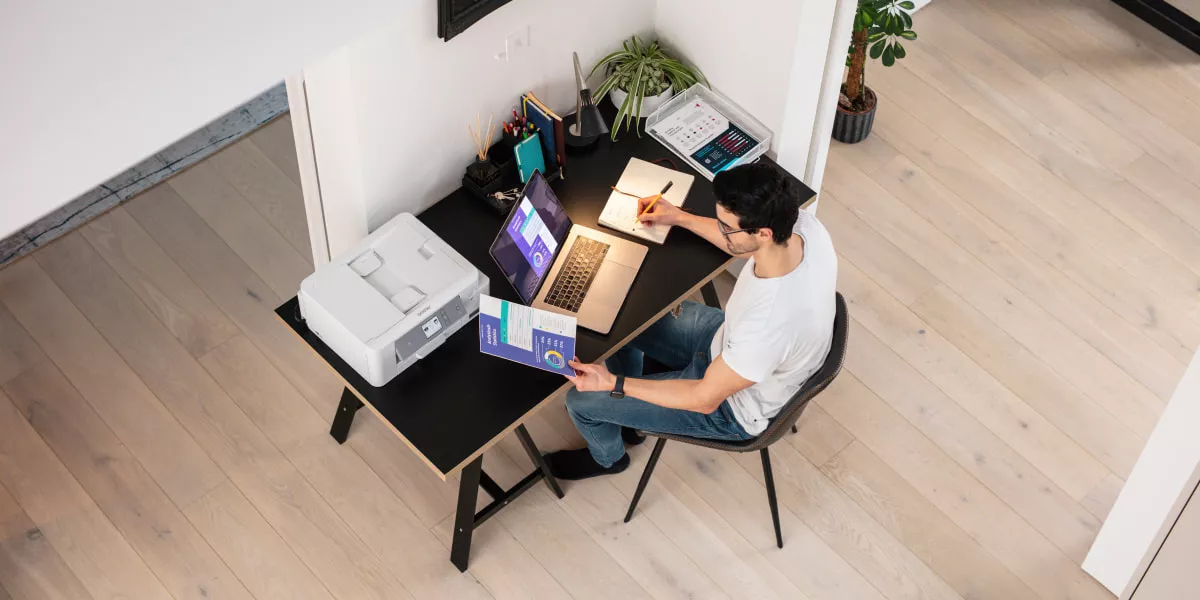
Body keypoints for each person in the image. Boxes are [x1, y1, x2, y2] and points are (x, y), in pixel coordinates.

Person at [544, 162, 838, 480]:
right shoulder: (801, 227)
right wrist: (677, 216)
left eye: (726, 226)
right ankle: (630, 421)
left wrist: (614, 384)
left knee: (579, 401)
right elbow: (743, 246)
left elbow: (703, 398)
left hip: (731, 405)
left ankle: (609, 459)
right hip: (727, 344)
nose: (722, 230)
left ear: (764, 233)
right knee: (627, 316)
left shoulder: (770, 325)